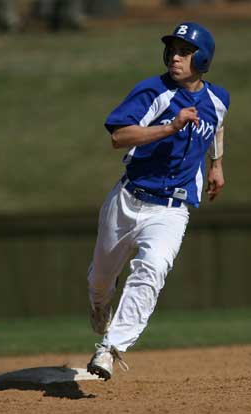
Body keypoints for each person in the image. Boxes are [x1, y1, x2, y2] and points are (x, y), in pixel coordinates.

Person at [86, 22, 230, 381]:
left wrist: (217, 165)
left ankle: (110, 348)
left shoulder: (218, 99)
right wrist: (170, 127)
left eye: (184, 51)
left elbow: (217, 125)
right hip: (128, 199)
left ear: (204, 58)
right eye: (172, 50)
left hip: (171, 210)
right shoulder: (153, 91)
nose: (175, 57)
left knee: (151, 270)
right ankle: (101, 302)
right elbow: (120, 136)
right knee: (101, 281)